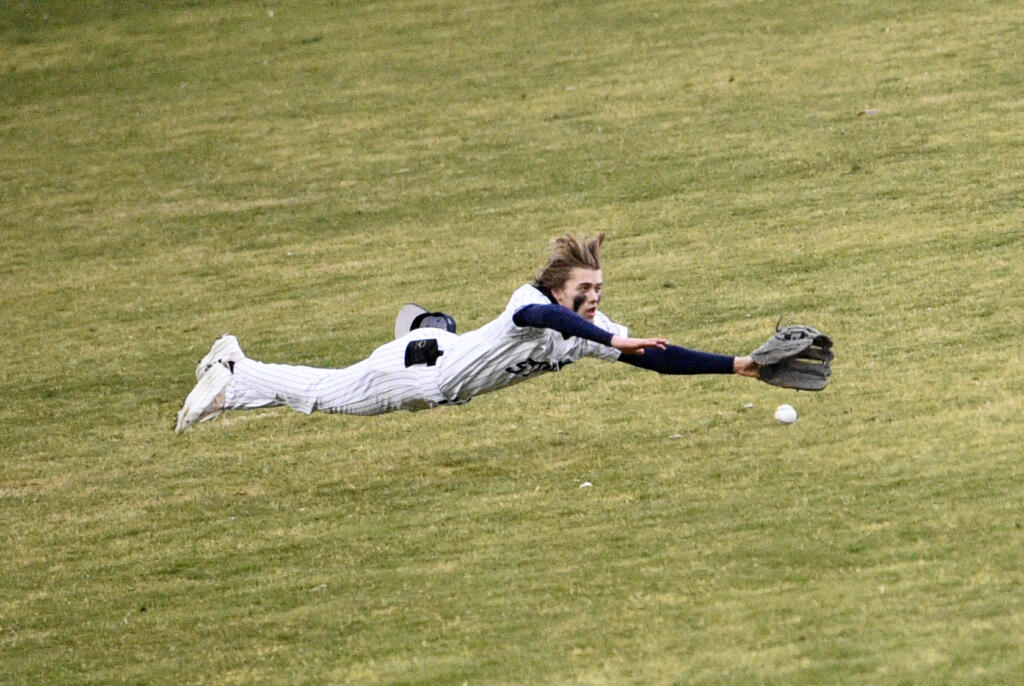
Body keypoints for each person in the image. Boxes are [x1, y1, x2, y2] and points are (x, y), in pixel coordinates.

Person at [175, 233, 759, 434]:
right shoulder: (531, 302)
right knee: (323, 395)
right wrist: (611, 341)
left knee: (330, 390)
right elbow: (542, 321)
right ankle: (234, 369)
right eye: (587, 288)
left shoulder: (588, 328)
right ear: (561, 287)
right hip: (415, 371)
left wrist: (740, 365)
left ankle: (233, 372)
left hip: (439, 359)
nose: (596, 297)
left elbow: (658, 358)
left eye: (600, 288)